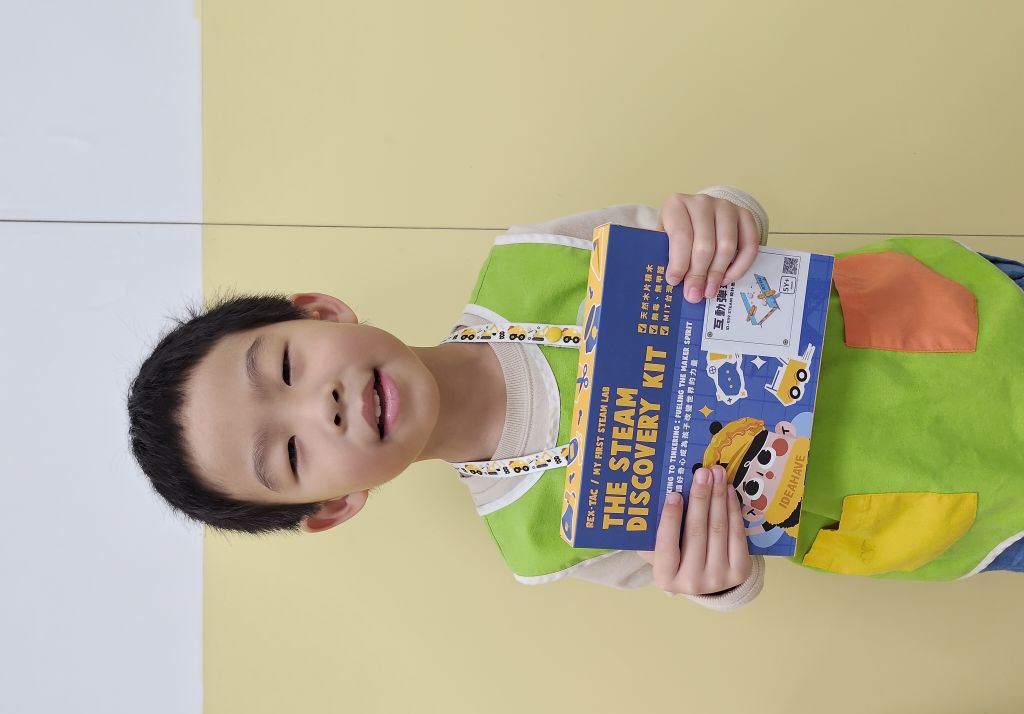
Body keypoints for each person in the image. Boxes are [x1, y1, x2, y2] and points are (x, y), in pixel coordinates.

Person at [127, 188, 1024, 611]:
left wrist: (721, 216)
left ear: (320, 312)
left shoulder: (533, 260)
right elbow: (721, 581)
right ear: (333, 506)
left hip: (962, 317)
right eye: (289, 454)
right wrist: (715, 582)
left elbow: (723, 224)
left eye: (285, 366)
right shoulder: (542, 544)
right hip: (964, 504)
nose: (317, 408)